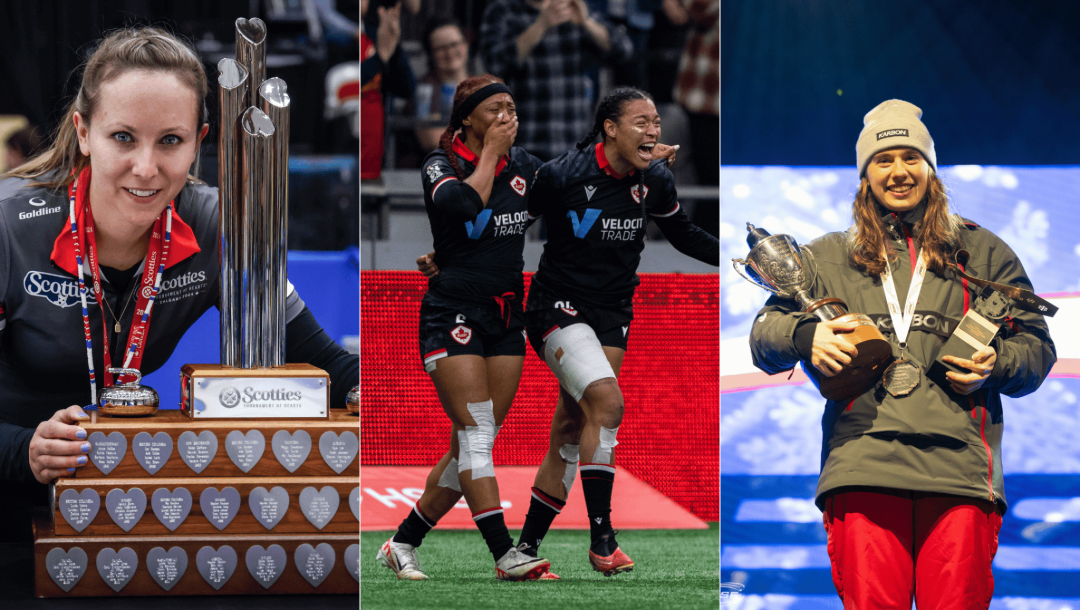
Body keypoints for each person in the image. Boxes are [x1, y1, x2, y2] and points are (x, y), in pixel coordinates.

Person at [0, 27, 358, 520]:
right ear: (84, 132)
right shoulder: (8, 225)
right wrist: (26, 448)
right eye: (122, 137)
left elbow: (326, 364)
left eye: (170, 140)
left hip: (119, 501)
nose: (145, 168)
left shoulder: (217, 225)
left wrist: (393, 393)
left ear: (198, 144)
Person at [748, 100, 1056, 607]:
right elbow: (765, 337)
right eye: (882, 159)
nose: (898, 172)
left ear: (930, 169)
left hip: (959, 469)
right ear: (864, 174)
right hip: (863, 461)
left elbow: (1037, 350)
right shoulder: (826, 255)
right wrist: (806, 337)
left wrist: (995, 365)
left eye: (910, 157)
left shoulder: (983, 252)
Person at [514, 87, 718, 576]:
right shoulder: (562, 174)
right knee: (607, 402)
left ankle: (523, 551)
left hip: (613, 313)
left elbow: (684, 234)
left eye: (656, 123)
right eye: (641, 121)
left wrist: (742, 257)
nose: (653, 130)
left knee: (571, 426)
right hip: (554, 307)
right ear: (610, 127)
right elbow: (512, 224)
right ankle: (603, 539)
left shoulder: (656, 180)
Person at [375, 75, 551, 582]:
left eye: (512, 107)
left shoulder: (527, 166)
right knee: (475, 435)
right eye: (495, 108)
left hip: (504, 315)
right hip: (451, 314)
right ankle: (504, 554)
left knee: (471, 445)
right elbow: (460, 206)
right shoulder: (440, 162)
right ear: (468, 119)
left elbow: (569, 187)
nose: (507, 116)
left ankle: (403, 542)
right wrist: (492, 155)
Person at [479, 0, 633, 162]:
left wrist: (586, 23)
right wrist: (541, 24)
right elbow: (494, 63)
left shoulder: (570, 6)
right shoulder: (503, 10)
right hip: (524, 146)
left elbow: (623, 50)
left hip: (576, 146)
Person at [361, 0, 415, 179]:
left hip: (374, 161)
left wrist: (393, 45)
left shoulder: (373, 34)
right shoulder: (340, 36)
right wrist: (380, 57)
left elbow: (406, 89)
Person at [412, 18, 472, 152]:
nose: (449, 52)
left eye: (454, 44)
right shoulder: (424, 90)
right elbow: (432, 141)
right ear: (430, 54)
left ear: (466, 44)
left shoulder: (485, 85)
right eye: (440, 48)